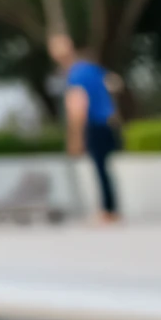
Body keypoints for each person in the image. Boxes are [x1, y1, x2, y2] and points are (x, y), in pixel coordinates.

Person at [53, 35, 122, 222]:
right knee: (105, 169)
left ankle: (108, 211)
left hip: (94, 125)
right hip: (108, 123)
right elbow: (115, 82)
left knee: (100, 169)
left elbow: (78, 107)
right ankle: (110, 209)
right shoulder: (92, 69)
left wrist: (75, 138)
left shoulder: (75, 74)